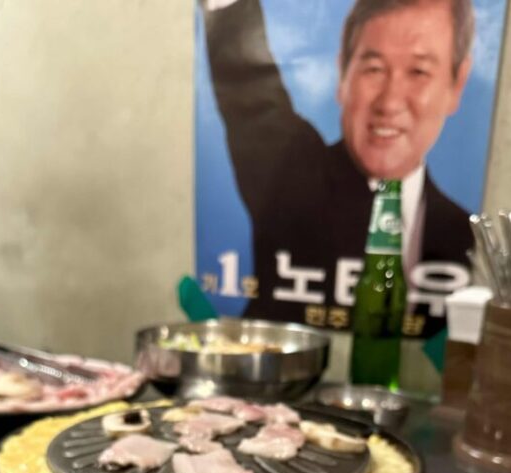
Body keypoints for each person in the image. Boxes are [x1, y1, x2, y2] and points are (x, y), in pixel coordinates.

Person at [201, 0, 475, 334]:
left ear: (456, 84)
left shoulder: (465, 238)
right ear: (342, 73)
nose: (389, 102)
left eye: (418, 72)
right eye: (373, 69)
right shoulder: (293, 173)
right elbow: (251, 95)